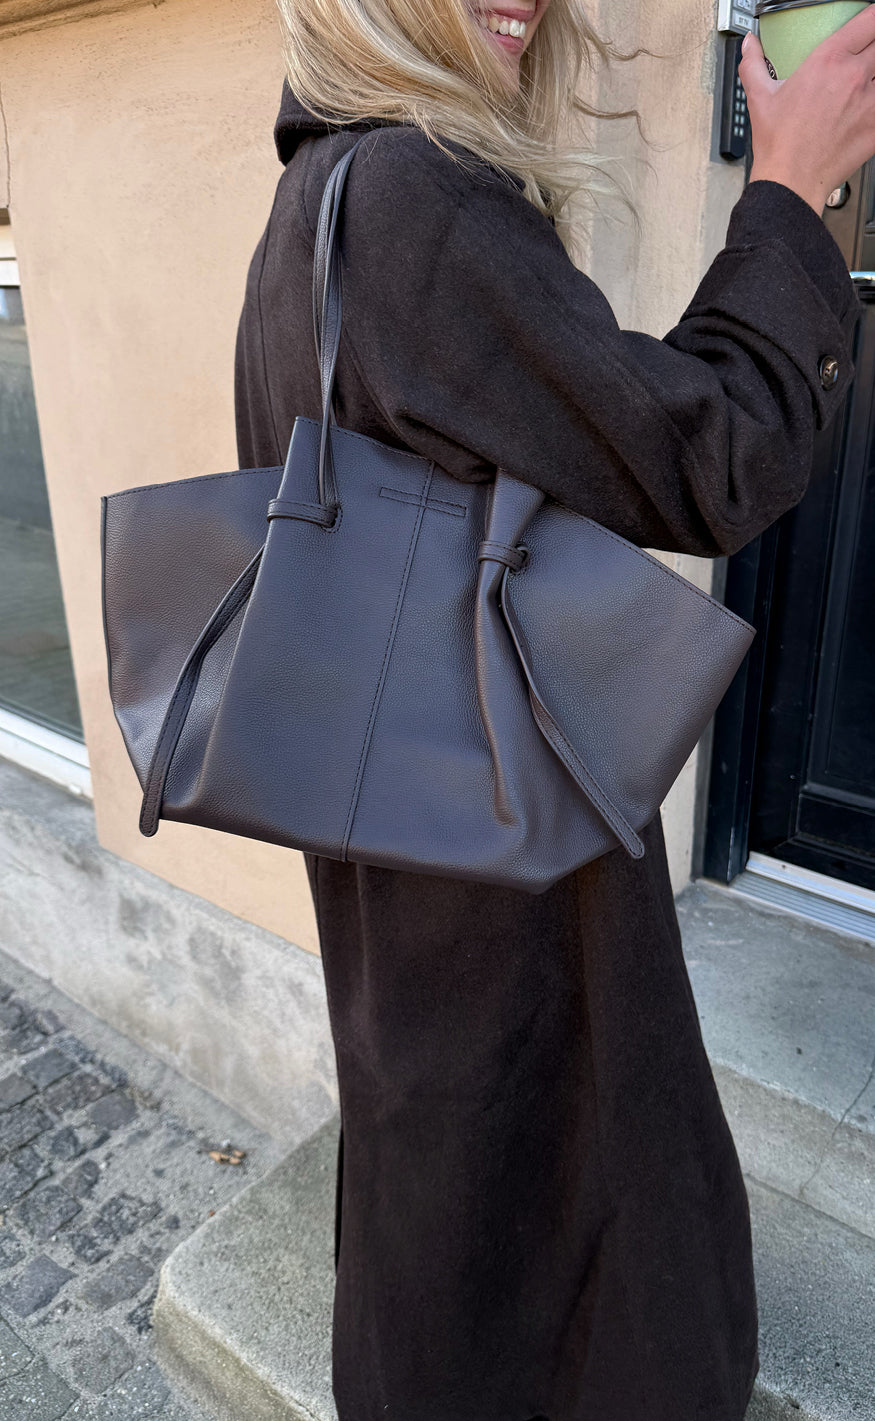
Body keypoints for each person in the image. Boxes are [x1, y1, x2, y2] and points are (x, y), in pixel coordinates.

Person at [234, 3, 873, 1417]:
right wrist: (790, 190)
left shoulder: (312, 201)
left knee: (451, 1177)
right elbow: (713, 450)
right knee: (581, 1195)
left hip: (402, 842)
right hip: (510, 864)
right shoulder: (418, 201)